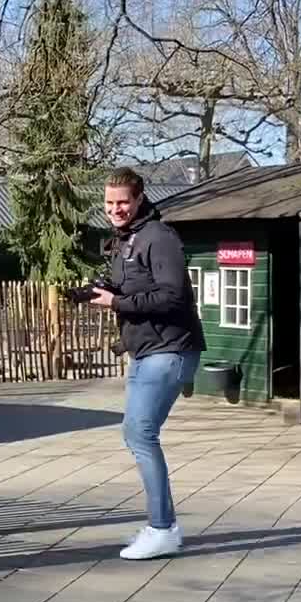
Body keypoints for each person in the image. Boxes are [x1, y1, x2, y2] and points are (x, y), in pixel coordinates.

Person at [88, 167, 205, 561]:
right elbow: (134, 287)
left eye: (122, 202)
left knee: (140, 434)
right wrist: (101, 292)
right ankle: (162, 525)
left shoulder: (159, 237)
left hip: (170, 350)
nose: (115, 209)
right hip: (146, 350)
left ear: (139, 199)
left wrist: (117, 303)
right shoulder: (128, 240)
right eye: (109, 203)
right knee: (136, 434)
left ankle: (162, 529)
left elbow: (172, 296)